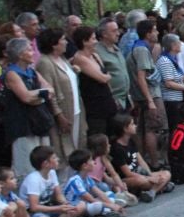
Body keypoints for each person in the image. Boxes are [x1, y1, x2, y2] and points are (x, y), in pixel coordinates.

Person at [0, 36, 54, 175]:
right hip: (22, 125)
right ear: (20, 54)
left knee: (45, 160)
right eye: (29, 50)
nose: (33, 53)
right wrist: (41, 94)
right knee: (26, 163)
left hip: (39, 121)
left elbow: (50, 90)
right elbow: (25, 97)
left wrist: (38, 95)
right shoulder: (11, 73)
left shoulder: (32, 71)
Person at [35, 27, 85, 174]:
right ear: (53, 43)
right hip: (62, 112)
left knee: (76, 146)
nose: (66, 42)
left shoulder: (63, 59)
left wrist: (74, 71)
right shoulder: (45, 63)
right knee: (63, 149)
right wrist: (59, 114)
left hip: (76, 109)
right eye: (63, 39)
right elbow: (50, 92)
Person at [125, 19, 164, 168]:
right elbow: (141, 76)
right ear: (148, 34)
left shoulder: (140, 48)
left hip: (143, 95)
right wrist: (150, 101)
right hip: (150, 95)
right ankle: (154, 163)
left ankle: (143, 163)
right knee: (152, 129)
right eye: (154, 30)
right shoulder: (141, 50)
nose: (157, 32)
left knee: (142, 130)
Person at [109, 113, 171, 202]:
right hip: (127, 179)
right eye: (132, 124)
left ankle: (152, 192)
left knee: (166, 173)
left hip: (141, 174)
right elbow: (128, 173)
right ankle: (163, 186)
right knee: (141, 180)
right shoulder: (117, 148)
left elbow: (141, 160)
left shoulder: (131, 141)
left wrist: (150, 174)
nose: (135, 126)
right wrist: (150, 179)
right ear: (125, 128)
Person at [70, 25, 118, 140]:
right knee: (99, 135)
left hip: (107, 101)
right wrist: (107, 76)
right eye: (93, 39)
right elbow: (102, 78)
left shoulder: (95, 56)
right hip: (94, 106)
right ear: (84, 41)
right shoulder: (79, 58)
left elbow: (106, 77)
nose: (96, 41)